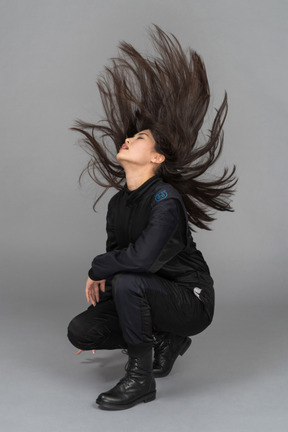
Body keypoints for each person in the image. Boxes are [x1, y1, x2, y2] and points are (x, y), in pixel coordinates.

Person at [67, 24, 237, 410]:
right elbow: (121, 259)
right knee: (82, 329)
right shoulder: (118, 203)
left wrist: (98, 268)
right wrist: (104, 309)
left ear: (157, 158)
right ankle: (165, 340)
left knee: (128, 279)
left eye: (140, 139)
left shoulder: (166, 199)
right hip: (146, 292)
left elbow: (138, 261)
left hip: (190, 301)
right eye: (131, 137)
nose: (128, 139)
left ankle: (139, 380)